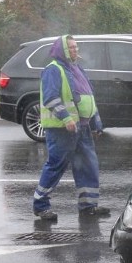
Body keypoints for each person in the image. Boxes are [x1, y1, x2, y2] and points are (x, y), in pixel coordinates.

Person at [32, 35, 109, 221]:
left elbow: (89, 96)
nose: (76, 50)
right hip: (62, 130)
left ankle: (88, 206)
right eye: (72, 48)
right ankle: (40, 206)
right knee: (55, 166)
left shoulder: (76, 68)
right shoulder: (53, 70)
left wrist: (96, 122)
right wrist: (66, 118)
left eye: (76, 47)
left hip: (81, 128)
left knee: (88, 166)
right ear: (63, 50)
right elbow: (51, 98)